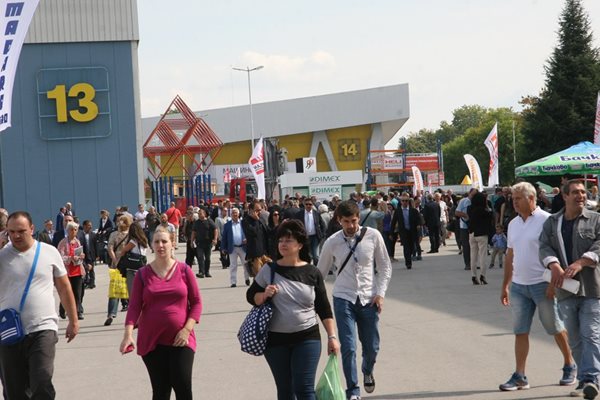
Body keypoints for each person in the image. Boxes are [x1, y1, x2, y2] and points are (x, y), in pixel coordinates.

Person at [247, 219, 339, 399]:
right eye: (281, 240)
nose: (283, 244)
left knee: (304, 389)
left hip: (307, 338)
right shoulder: (269, 270)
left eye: (288, 240)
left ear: (300, 244)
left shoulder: (312, 272)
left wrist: (332, 337)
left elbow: (324, 308)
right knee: (285, 390)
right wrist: (264, 295)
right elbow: (251, 297)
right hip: (275, 341)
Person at [499, 182, 576, 392]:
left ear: (531, 199)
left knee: (555, 327)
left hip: (542, 284)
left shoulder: (547, 221)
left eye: (518, 199)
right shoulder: (513, 224)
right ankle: (520, 375)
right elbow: (510, 255)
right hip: (519, 286)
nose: (514, 203)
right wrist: (505, 285)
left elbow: (557, 254)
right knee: (520, 331)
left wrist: (553, 283)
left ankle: (570, 364)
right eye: (513, 199)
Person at [317, 201, 392, 400]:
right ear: (338, 220)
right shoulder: (332, 242)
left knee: (372, 347)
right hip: (344, 298)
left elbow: (385, 267)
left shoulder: (373, 236)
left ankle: (367, 370)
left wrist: (381, 293)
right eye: (346, 222)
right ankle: (353, 390)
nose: (350, 225)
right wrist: (312, 298)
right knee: (348, 347)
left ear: (358, 218)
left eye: (353, 221)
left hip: (369, 299)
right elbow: (320, 274)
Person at [0, 211, 79, 399]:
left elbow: (64, 287)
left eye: (21, 231)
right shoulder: (2, 256)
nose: (16, 236)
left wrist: (73, 320)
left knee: (42, 381)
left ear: (32, 229)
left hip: (43, 327)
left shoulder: (48, 252)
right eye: (11, 232)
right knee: (15, 390)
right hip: (9, 331)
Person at [120, 226, 202, 400]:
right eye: (156, 241)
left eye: (164, 241)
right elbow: (134, 307)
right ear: (151, 245)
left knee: (183, 388)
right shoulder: (143, 274)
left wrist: (186, 329)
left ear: (172, 244)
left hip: (182, 339)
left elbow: (196, 303)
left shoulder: (184, 270)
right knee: (161, 392)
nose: (161, 245)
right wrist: (128, 335)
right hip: (152, 341)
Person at [540, 179, 600, 399]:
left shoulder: (595, 220)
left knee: (590, 333)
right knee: (574, 337)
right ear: (564, 196)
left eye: (583, 192)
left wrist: (581, 262)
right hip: (565, 289)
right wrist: (553, 264)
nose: (581, 196)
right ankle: (585, 379)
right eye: (575, 192)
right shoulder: (552, 223)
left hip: (592, 288)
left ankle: (591, 379)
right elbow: (544, 245)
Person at [105, 214, 132, 326]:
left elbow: (110, 248)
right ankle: (135, 315)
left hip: (116, 265)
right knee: (132, 290)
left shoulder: (114, 234)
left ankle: (111, 313)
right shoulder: (131, 235)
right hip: (129, 264)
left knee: (114, 290)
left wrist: (115, 260)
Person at [57, 221, 86, 320]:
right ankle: (62, 308)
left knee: (78, 293)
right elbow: (60, 257)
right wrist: (70, 258)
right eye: (72, 230)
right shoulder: (63, 242)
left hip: (77, 270)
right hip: (67, 271)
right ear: (68, 230)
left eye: (75, 230)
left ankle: (78, 312)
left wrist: (81, 256)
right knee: (67, 292)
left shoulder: (77, 241)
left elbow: (80, 253)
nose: (74, 231)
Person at [116, 223, 149, 295]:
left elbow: (123, 251)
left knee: (132, 292)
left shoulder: (133, 241)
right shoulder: (144, 240)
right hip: (142, 267)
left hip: (132, 269)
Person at [220, 208, 250, 287]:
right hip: (232, 248)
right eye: (233, 213)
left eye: (236, 213)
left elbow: (249, 233)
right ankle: (233, 282)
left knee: (245, 264)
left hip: (243, 247)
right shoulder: (227, 225)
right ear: (231, 214)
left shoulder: (243, 223)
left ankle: (247, 278)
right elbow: (224, 238)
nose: (235, 214)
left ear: (239, 214)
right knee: (233, 265)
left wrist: (247, 239)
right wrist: (223, 248)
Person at [391, 194, 420, 270]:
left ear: (408, 202)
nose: (404, 202)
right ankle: (408, 263)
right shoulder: (398, 211)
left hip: (412, 231)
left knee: (411, 247)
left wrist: (418, 225)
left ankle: (409, 256)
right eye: (403, 201)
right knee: (406, 247)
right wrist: (391, 233)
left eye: (406, 201)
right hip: (403, 232)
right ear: (401, 202)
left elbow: (418, 219)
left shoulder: (413, 210)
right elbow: (393, 222)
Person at [242, 200, 271, 277]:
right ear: (251, 210)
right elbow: (253, 232)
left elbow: (268, 232)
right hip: (255, 256)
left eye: (260, 210)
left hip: (265, 254)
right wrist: (256, 221)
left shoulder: (261, 220)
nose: (259, 212)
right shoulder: (246, 221)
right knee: (259, 278)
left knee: (270, 276)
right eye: (257, 210)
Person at [295, 198, 326, 265]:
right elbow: (295, 225)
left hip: (315, 237)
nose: (308, 206)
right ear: (304, 205)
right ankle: (308, 268)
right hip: (305, 237)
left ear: (312, 205)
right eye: (307, 204)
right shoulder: (299, 214)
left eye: (310, 204)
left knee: (315, 255)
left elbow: (323, 224)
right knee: (307, 254)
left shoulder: (316, 213)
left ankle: (317, 268)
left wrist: (322, 234)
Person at [191, 209, 217, 278]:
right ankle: (201, 272)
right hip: (199, 243)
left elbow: (215, 229)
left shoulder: (209, 221)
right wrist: (191, 242)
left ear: (204, 214)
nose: (199, 215)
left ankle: (207, 272)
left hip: (208, 243)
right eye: (199, 214)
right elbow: (194, 232)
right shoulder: (196, 223)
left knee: (207, 258)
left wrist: (215, 239)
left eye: (201, 213)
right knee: (200, 257)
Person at [455, 189, 477, 270]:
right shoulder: (464, 201)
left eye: (475, 195)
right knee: (466, 245)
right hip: (464, 226)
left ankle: (473, 263)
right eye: (472, 195)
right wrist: (465, 215)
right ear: (469, 194)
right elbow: (457, 212)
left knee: (474, 246)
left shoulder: (476, 201)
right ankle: (467, 264)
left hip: (474, 226)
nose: (473, 197)